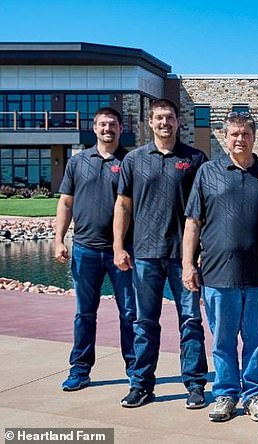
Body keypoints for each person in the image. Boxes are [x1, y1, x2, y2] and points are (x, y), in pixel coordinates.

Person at [182, 112, 258, 423]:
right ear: (225, 137)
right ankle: (226, 394)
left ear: (254, 137)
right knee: (223, 339)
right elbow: (193, 222)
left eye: (245, 134)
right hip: (218, 273)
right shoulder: (207, 172)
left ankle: (253, 393)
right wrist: (188, 264)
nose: (240, 139)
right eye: (234, 134)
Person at [113, 98, 208, 409]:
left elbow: (203, 211)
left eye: (170, 117)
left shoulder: (195, 159)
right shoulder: (134, 160)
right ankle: (141, 385)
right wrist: (118, 246)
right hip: (145, 254)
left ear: (178, 122)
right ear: (149, 123)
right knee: (144, 323)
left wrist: (197, 255)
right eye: (159, 118)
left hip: (184, 257)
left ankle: (194, 385)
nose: (165, 123)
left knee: (191, 321)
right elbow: (123, 205)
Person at [55, 107, 135, 391]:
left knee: (129, 314)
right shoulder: (78, 162)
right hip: (84, 250)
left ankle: (135, 372)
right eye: (103, 124)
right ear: (94, 127)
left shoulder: (130, 161)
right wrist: (58, 240)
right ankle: (79, 369)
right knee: (84, 313)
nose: (107, 129)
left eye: (112, 124)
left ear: (120, 128)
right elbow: (65, 203)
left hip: (123, 252)